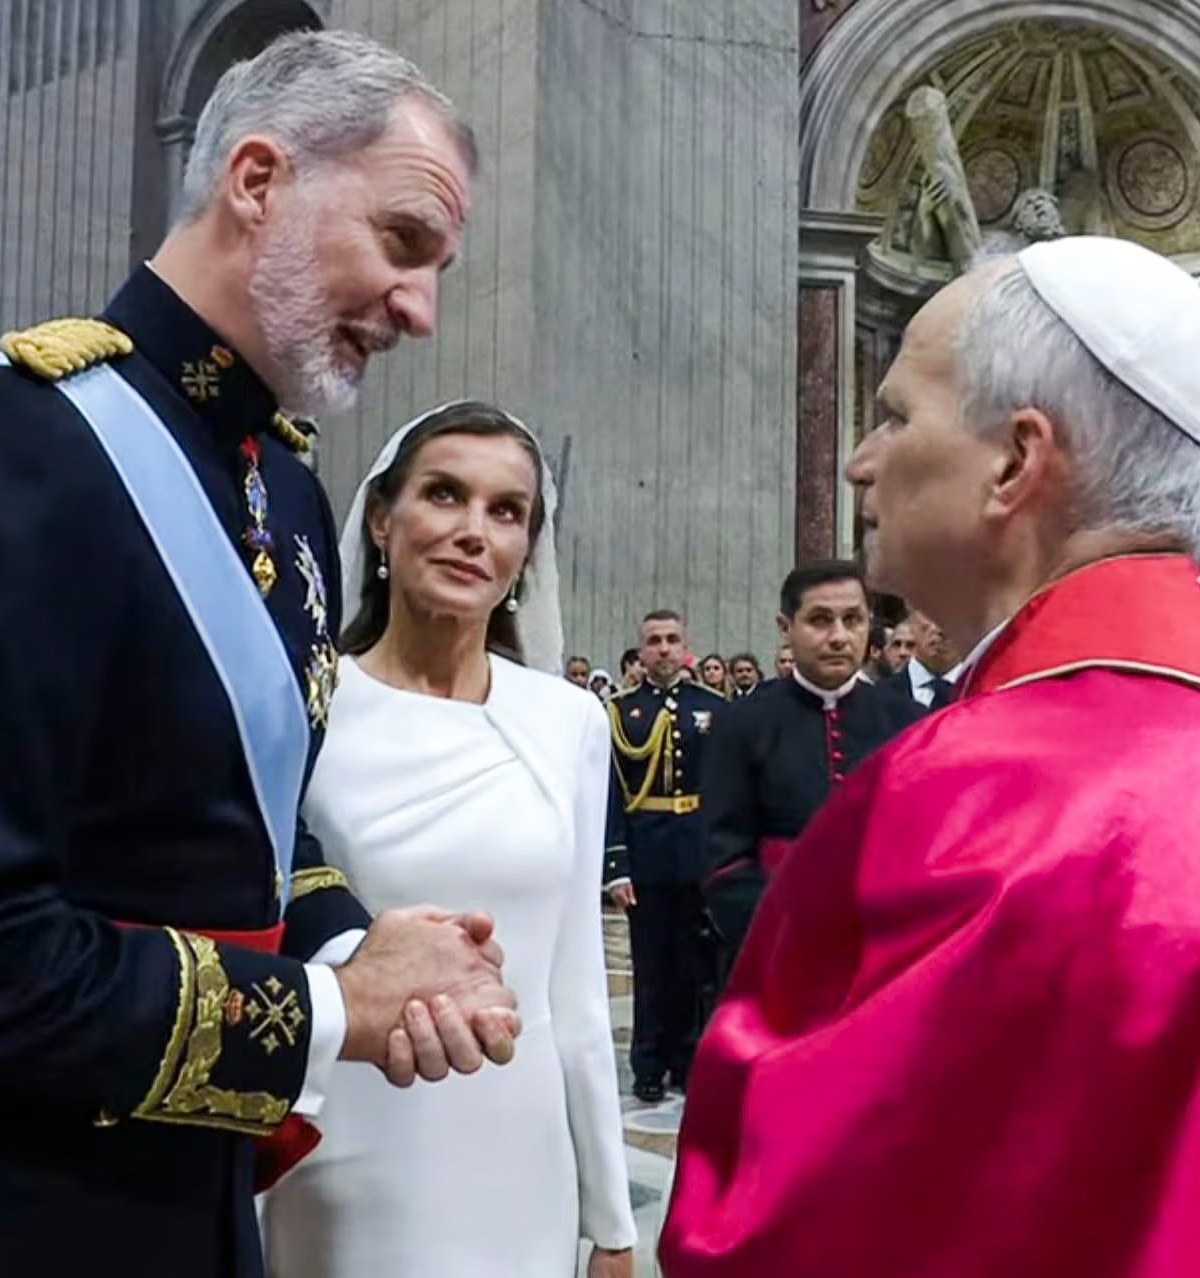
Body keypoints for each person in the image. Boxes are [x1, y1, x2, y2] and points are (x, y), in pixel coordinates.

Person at [0, 32, 525, 1278]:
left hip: (180, 1203)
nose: (422, 309)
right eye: (403, 244)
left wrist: (346, 940)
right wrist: (333, 1011)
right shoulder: (12, 447)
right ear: (258, 180)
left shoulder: (289, 496)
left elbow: (241, 826)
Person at [662, 237, 1200, 1277]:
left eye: (896, 414)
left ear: (1016, 461)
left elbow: (783, 1215)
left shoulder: (976, 790)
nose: (862, 458)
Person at [263, 402, 635, 1278]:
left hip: (520, 1149)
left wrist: (610, 1220)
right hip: (348, 1137)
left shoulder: (569, 720)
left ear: (524, 554)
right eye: (444, 495)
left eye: (505, 512)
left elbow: (575, 985)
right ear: (383, 521)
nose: (473, 531)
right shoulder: (307, 711)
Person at [700, 561, 924, 977]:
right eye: (820, 620)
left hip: (883, 956)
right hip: (776, 955)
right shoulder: (742, 724)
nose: (839, 637)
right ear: (786, 627)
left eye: (853, 620)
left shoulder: (907, 722)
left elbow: (922, 848)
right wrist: (791, 934)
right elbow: (724, 860)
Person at [604, 609, 725, 1104]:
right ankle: (649, 1063)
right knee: (651, 964)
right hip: (648, 851)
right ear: (642, 651)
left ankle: (691, 1058)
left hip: (698, 850)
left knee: (698, 964)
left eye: (672, 639)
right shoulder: (620, 711)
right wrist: (616, 866)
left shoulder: (713, 707)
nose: (664, 649)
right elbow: (610, 794)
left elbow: (725, 787)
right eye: (654, 641)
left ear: (685, 646)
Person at [881, 610, 962, 709]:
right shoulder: (876, 699)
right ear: (911, 620)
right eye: (930, 614)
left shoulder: (981, 694)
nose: (939, 629)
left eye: (954, 616)